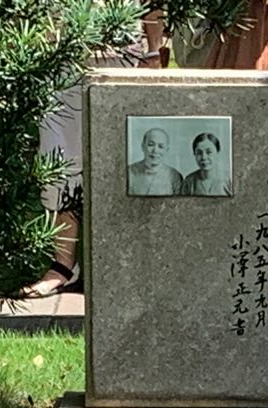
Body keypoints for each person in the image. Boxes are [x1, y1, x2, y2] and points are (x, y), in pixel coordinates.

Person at [20, 12, 166, 298]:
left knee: (122, 159)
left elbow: (152, 4)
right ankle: (63, 265)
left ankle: (118, 265)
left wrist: (153, 49)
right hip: (59, 53)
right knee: (59, 157)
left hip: (121, 56)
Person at [126, 127, 184, 195]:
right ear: (143, 146)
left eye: (161, 146)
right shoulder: (129, 172)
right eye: (151, 145)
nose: (155, 150)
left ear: (166, 150)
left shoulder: (174, 176)